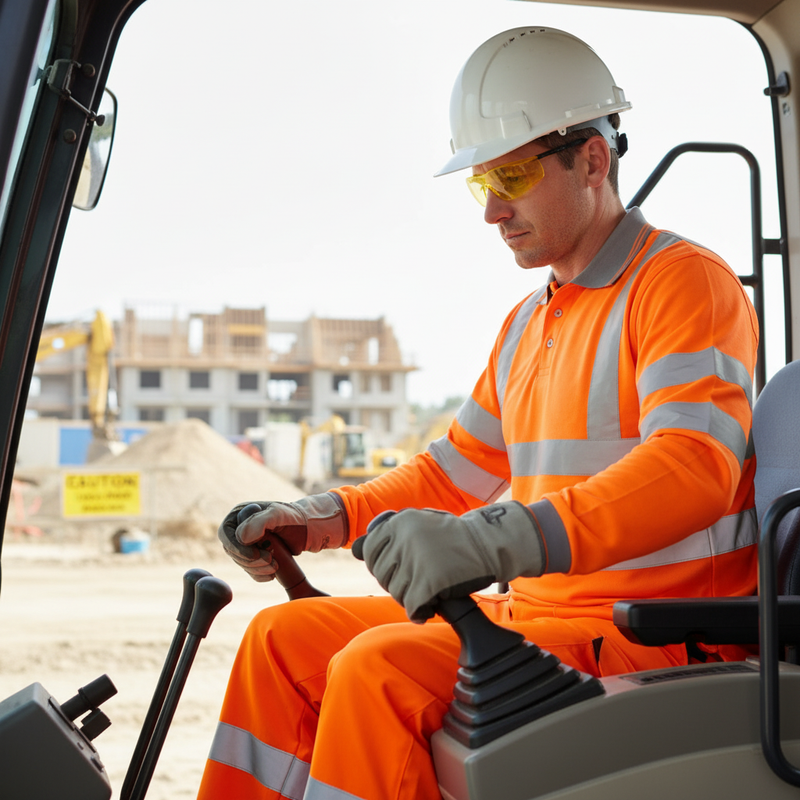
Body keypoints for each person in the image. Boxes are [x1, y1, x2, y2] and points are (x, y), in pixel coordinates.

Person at [197, 26, 758, 800]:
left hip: (652, 639)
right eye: (481, 184)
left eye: (514, 177)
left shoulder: (683, 284)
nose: (492, 210)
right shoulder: (531, 320)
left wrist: (499, 539)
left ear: (591, 160)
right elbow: (453, 473)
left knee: (377, 668)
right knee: (280, 640)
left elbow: (695, 468)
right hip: (543, 620)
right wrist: (321, 520)